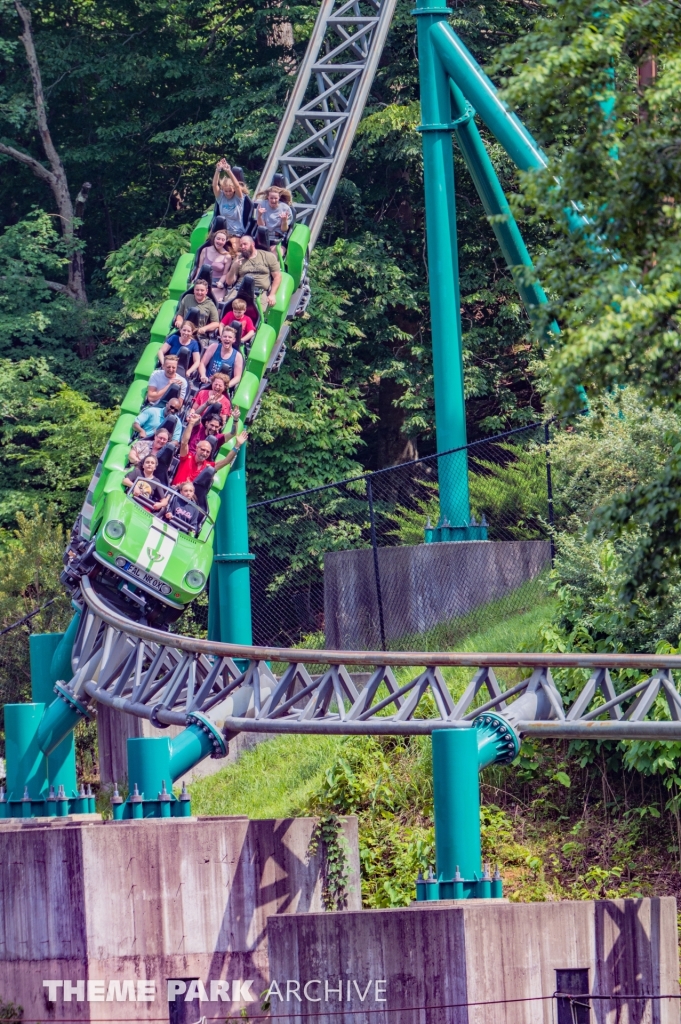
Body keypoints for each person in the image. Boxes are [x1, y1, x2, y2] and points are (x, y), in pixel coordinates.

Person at [174, 414, 249, 491]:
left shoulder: (208, 466)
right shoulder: (187, 457)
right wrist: (191, 423)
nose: (204, 453)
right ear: (197, 448)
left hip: (190, 496)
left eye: (208, 452)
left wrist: (237, 445)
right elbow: (184, 443)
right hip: (176, 490)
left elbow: (226, 461)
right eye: (202, 450)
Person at [224, 235, 281, 308]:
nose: (242, 247)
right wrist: (233, 266)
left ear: (252, 244)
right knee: (228, 306)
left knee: (255, 310)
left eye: (245, 244)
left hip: (259, 292)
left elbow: (277, 277)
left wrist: (272, 294)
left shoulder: (268, 256)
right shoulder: (238, 259)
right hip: (240, 289)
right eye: (241, 245)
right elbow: (229, 282)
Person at [193, 229, 233, 304]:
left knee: (214, 302)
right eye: (218, 239)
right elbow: (199, 267)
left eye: (223, 240)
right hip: (203, 280)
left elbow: (225, 274)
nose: (220, 241)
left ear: (225, 241)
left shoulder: (227, 256)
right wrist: (196, 278)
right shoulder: (205, 250)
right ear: (214, 239)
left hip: (216, 283)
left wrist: (220, 282)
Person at [211, 159, 246, 238]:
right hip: (222, 232)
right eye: (226, 191)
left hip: (236, 232)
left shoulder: (238, 198)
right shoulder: (221, 197)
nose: (228, 193)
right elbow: (214, 185)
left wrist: (229, 171)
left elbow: (237, 186)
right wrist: (218, 170)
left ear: (234, 190)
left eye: (230, 191)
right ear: (223, 190)